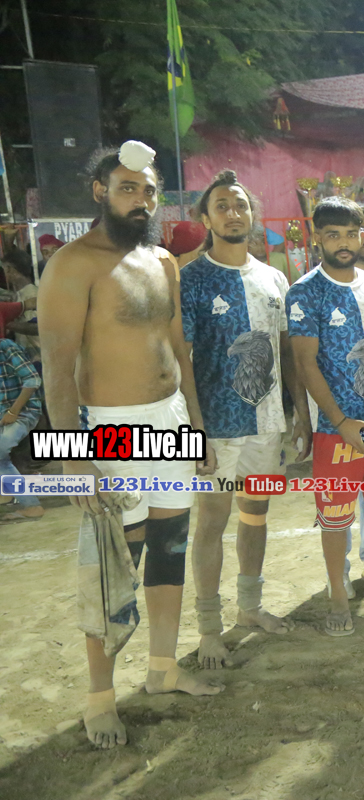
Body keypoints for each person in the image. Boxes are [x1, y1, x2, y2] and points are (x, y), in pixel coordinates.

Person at [40, 142, 223, 749]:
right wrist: (72, 455)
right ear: (100, 191)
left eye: (148, 190)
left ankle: (163, 669)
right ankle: (100, 697)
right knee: (115, 563)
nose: (141, 200)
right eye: (127, 188)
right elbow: (56, 365)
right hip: (111, 430)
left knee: (170, 548)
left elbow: (178, 349)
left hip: (169, 420)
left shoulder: (162, 261)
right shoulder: (72, 264)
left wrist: (195, 426)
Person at [180, 170, 302, 668]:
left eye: (240, 205)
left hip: (267, 424)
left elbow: (287, 352)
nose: (233, 213)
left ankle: (249, 608)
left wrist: (300, 414)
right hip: (214, 429)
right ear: (206, 218)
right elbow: (181, 359)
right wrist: (193, 430)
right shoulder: (191, 279)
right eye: (222, 206)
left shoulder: (274, 278)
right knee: (212, 521)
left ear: (251, 215)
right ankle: (209, 628)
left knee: (256, 514)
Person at [286, 196, 364, 636]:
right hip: (334, 427)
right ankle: (338, 598)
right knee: (336, 517)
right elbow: (305, 364)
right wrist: (340, 421)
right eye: (333, 235)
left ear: (362, 236)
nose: (343, 243)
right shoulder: (304, 292)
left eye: (351, 234)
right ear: (317, 238)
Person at [0, 337, 44, 523]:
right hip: (3, 417)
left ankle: (31, 505)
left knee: (0, 451)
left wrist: (13, 411)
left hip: (23, 412)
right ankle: (10, 494)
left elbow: (32, 380)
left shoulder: (5, 347)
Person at [2, 250, 41, 364]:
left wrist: (5, 321)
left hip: (38, 360)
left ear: (8, 269)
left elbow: (38, 327)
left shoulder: (32, 295)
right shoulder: (19, 295)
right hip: (29, 358)